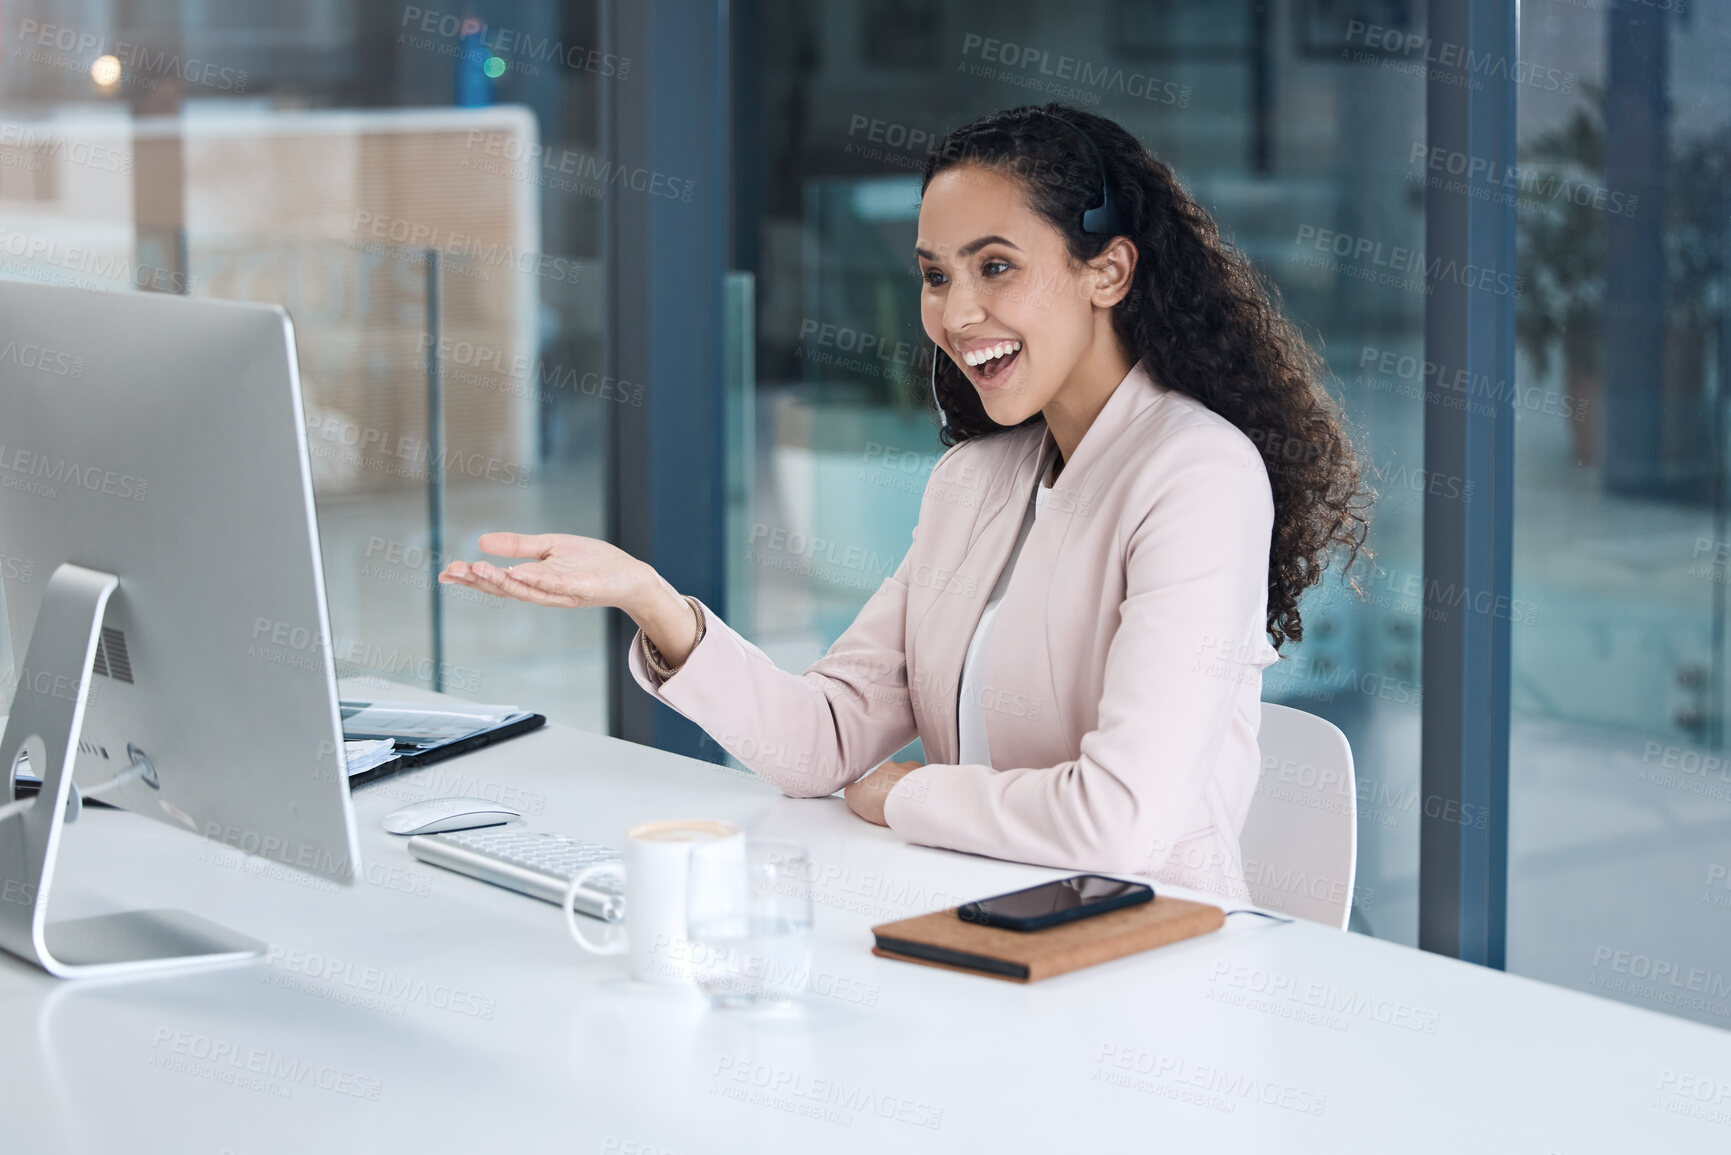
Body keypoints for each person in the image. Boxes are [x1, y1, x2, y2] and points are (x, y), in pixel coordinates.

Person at [439, 104, 1369, 900]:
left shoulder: (1197, 476)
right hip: (965, 914)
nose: (955, 313)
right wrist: (649, 599)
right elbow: (822, 742)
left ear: (1108, 272)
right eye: (934, 275)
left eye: (994, 265)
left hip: (1140, 970)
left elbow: (1115, 824)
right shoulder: (974, 482)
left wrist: (903, 797)